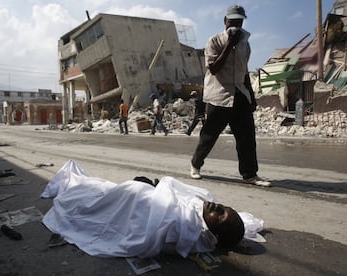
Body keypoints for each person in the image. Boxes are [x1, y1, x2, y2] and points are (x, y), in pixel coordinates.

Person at [41, 160, 251, 258]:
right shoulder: (200, 210)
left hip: (123, 203)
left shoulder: (186, 228)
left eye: (220, 215)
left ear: (213, 234)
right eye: (224, 207)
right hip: (121, 196)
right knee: (97, 187)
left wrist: (148, 190)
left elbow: (149, 222)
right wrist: (158, 187)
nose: (217, 207)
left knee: (83, 197)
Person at [189, 5, 270, 187]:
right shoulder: (214, 41)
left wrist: (252, 97)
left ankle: (250, 174)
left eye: (239, 22)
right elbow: (214, 68)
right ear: (225, 21)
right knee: (209, 135)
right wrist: (229, 45)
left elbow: (244, 73)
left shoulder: (245, 44)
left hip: (240, 94)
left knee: (247, 137)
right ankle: (196, 164)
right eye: (232, 21)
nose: (235, 25)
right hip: (219, 95)